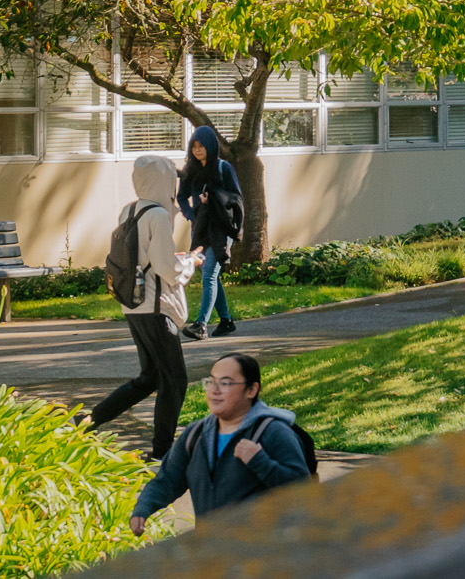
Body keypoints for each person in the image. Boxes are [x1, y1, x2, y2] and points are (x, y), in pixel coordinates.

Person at [86, 154, 197, 459]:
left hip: (133, 306)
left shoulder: (128, 210)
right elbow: (164, 268)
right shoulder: (159, 215)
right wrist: (189, 264)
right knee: (174, 380)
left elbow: (143, 258)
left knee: (150, 378)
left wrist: (178, 260)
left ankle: (85, 422)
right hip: (157, 307)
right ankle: (162, 452)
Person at [129, 352, 310, 535]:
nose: (215, 390)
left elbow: (303, 490)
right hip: (212, 552)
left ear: (251, 390)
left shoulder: (273, 432)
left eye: (225, 383)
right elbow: (168, 480)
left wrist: (260, 462)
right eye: (211, 382)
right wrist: (142, 509)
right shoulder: (195, 435)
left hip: (262, 555)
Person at [179, 124, 240, 340]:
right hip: (202, 230)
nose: (197, 150)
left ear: (211, 146)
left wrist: (213, 198)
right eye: (194, 146)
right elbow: (181, 198)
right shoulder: (191, 170)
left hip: (221, 229)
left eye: (201, 146)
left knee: (209, 275)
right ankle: (226, 321)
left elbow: (236, 197)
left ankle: (201, 325)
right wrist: (192, 215)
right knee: (212, 275)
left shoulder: (224, 168)